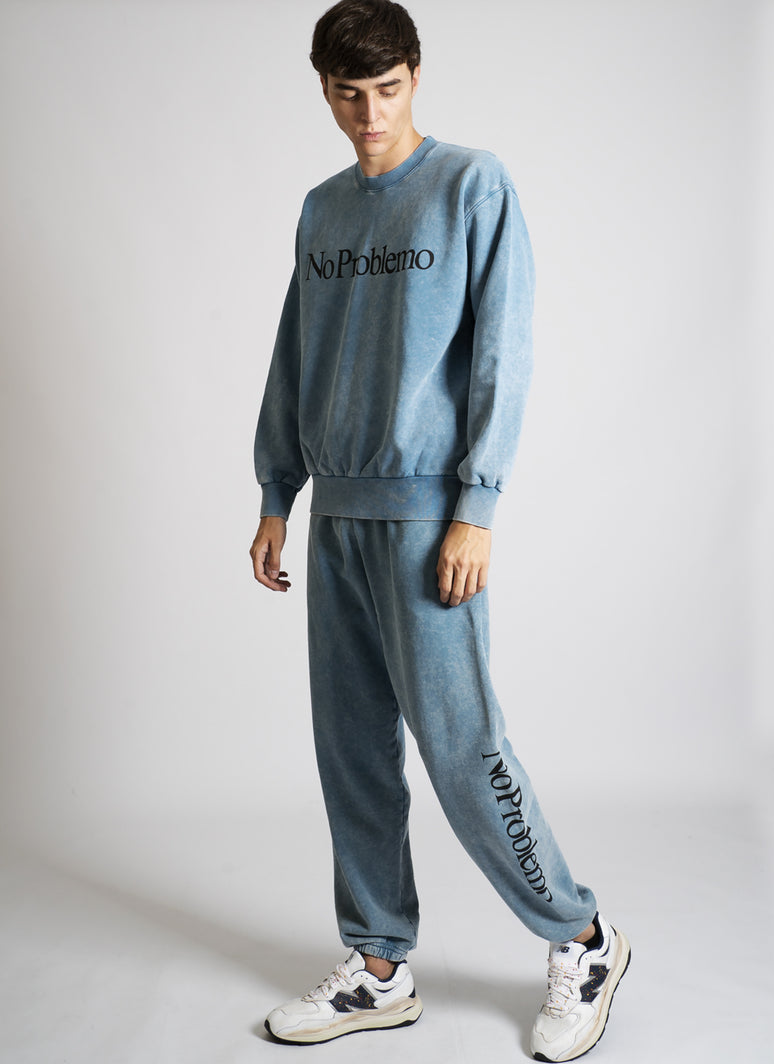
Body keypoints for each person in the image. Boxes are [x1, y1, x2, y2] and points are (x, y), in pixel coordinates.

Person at [249, 2, 630, 1059]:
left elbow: (503, 348)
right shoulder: (323, 209)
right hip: (336, 515)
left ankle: (583, 937)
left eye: (386, 90)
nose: (368, 114)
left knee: (463, 750)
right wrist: (278, 491)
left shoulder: (472, 184)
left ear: (415, 76)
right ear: (324, 89)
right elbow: (294, 352)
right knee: (352, 750)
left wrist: (476, 506)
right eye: (348, 93)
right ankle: (378, 964)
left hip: (427, 517)